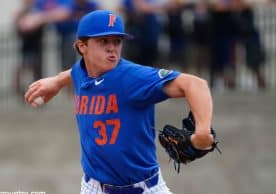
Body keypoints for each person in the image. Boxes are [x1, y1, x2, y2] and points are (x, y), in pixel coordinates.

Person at [24, 10, 214, 193]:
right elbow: (76, 72)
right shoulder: (82, 71)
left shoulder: (132, 77)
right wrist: (57, 82)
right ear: (82, 47)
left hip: (144, 188)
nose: (112, 48)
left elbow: (195, 84)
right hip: (93, 188)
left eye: (117, 41)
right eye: (103, 41)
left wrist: (203, 132)